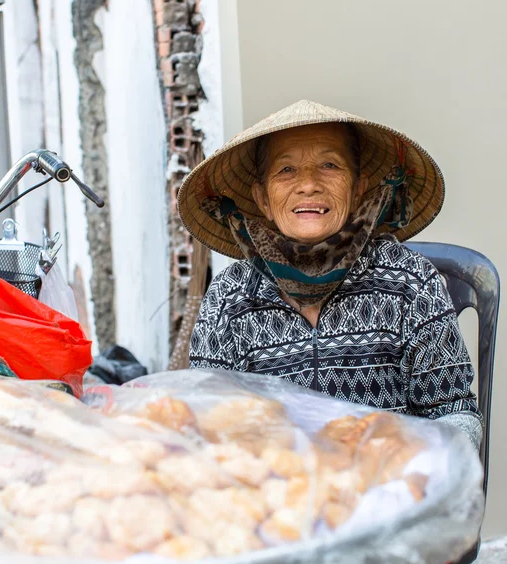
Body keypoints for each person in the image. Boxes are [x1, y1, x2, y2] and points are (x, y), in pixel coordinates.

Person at [178, 100, 482, 446]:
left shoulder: (408, 281)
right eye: (286, 170)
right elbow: (208, 424)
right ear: (262, 199)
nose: (308, 184)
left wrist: (408, 470)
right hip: (274, 491)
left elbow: (454, 413)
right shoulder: (229, 298)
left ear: (357, 189)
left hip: (388, 490)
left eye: (329, 164)